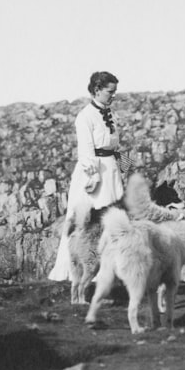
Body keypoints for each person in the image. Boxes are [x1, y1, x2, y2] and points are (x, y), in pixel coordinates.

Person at [48, 71, 124, 281]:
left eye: (115, 91)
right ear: (97, 90)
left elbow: (115, 147)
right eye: (110, 91)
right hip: (96, 175)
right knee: (93, 223)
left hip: (111, 171)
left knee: (114, 220)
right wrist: (93, 178)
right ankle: (84, 271)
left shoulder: (110, 114)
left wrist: (125, 168)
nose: (113, 95)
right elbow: (86, 153)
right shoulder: (85, 116)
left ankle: (112, 272)